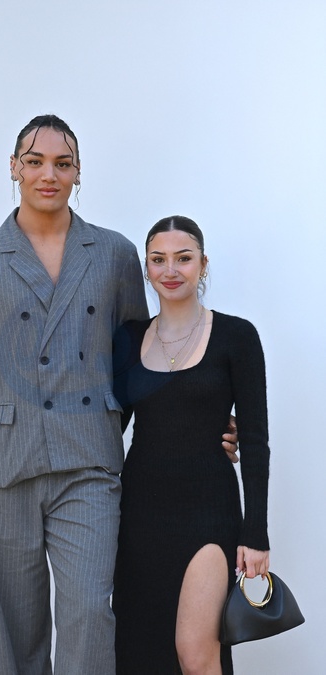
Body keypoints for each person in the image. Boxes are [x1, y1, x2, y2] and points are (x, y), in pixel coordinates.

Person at [0, 115, 238, 675]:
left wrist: (201, 424)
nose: (48, 174)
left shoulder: (113, 254)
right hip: (1, 468)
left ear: (79, 172)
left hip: (89, 465)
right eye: (35, 162)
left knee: (89, 615)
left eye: (63, 163)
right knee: (17, 628)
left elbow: (142, 360)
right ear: (14, 168)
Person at [112, 216, 270, 675]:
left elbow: (255, 440)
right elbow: (108, 427)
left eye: (183, 258)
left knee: (197, 655)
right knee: (139, 654)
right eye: (158, 259)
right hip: (138, 515)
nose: (170, 270)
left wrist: (255, 534)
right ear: (146, 269)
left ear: (203, 264)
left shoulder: (237, 336)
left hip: (208, 511)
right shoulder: (128, 339)